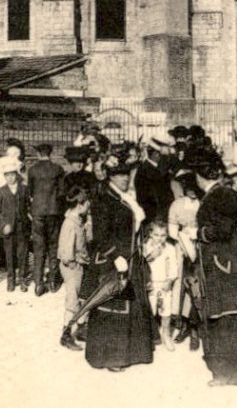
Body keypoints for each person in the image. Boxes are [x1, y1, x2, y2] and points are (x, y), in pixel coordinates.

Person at [80, 144, 155, 371]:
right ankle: (111, 357)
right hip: (112, 262)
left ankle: (133, 352)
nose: (123, 178)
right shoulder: (104, 199)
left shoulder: (126, 196)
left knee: (131, 305)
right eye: (118, 175)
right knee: (113, 307)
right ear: (110, 176)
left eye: (125, 174)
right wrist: (115, 256)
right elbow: (100, 236)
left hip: (132, 258)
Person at [193, 150, 237, 386]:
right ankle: (228, 371)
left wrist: (200, 233)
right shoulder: (220, 193)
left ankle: (235, 373)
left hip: (224, 263)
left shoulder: (222, 194)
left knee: (228, 315)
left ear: (200, 176)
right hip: (221, 262)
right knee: (222, 315)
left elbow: (225, 229)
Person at [167, 170, 202, 346]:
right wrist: (183, 238)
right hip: (181, 248)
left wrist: (195, 234)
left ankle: (195, 326)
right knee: (180, 284)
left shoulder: (205, 203)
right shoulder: (177, 205)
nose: (192, 191)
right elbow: (172, 230)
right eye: (188, 187)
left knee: (197, 284)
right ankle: (181, 322)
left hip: (201, 246)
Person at [27, 143, 65, 296]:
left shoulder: (32, 169)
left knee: (38, 247)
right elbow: (62, 192)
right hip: (54, 212)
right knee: (53, 246)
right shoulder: (58, 169)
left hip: (37, 212)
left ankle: (38, 283)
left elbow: (30, 192)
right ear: (51, 153)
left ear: (38, 154)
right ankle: (53, 281)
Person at [58, 186, 92, 351]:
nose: (89, 205)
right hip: (72, 267)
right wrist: (76, 264)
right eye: (87, 203)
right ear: (80, 204)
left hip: (79, 266)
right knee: (72, 301)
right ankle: (66, 335)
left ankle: (80, 329)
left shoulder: (78, 220)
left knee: (82, 298)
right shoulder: (70, 224)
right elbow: (66, 254)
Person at [142, 218, 179, 351]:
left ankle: (166, 334)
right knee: (150, 310)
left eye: (163, 235)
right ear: (150, 234)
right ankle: (150, 335)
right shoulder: (145, 246)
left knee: (166, 311)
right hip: (150, 283)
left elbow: (174, 267)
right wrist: (152, 255)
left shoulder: (169, 248)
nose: (159, 238)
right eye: (156, 235)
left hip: (164, 283)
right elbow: (142, 265)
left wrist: (169, 281)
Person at [0, 161, 31, 292]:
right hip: (9, 229)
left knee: (23, 254)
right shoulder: (1, 191)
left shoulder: (23, 189)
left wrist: (29, 220)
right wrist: (3, 225)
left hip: (22, 227)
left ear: (16, 175)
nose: (10, 178)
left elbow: (28, 207)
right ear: (4, 177)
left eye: (12, 175)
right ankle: (11, 280)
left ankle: (23, 279)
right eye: (7, 175)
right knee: (9, 255)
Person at [134, 132, 177, 221]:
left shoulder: (153, 169)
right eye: (164, 156)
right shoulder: (147, 171)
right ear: (156, 154)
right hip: (154, 217)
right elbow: (156, 198)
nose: (167, 158)